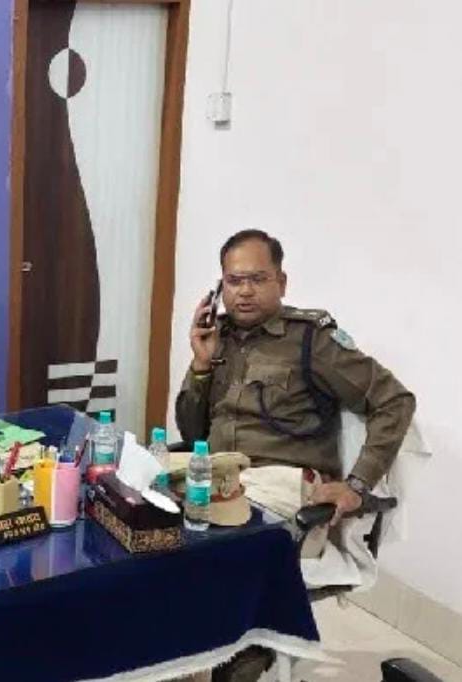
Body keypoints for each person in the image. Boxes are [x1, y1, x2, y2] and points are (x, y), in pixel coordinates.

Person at [175, 228, 415, 681]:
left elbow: (395, 402)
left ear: (281, 282)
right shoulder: (218, 338)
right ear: (220, 288)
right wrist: (201, 365)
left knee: (217, 552)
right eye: (234, 281)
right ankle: (182, 654)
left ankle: (247, 648)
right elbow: (191, 434)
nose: (244, 291)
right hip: (223, 480)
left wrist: (357, 484)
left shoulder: (312, 340)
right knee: (146, 532)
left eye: (257, 279)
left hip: (282, 486)